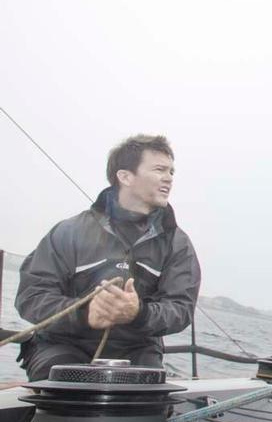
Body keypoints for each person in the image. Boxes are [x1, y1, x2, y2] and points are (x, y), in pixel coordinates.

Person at [15, 134, 201, 381]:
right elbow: (31, 296)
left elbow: (180, 308)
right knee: (61, 383)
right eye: (160, 170)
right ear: (125, 176)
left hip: (137, 348)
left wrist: (139, 313)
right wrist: (85, 313)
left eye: (171, 172)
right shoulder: (69, 231)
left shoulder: (178, 245)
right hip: (62, 343)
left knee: (148, 393)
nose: (169, 178)